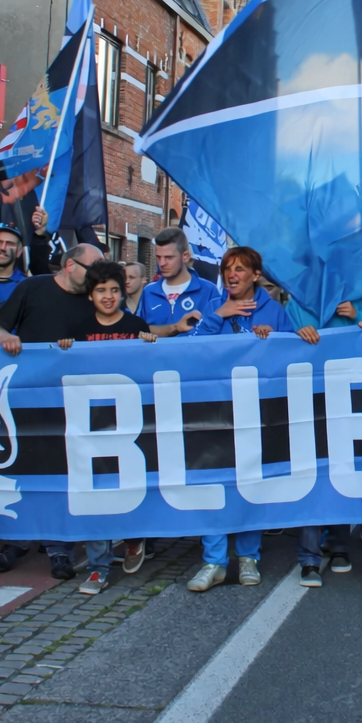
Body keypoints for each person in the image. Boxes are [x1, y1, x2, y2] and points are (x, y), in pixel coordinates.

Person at [0, 242, 102, 578]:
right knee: (24, 469)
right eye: (92, 269)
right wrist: (5, 336)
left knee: (62, 474)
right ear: (69, 265)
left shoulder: (92, 301)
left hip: (71, 403)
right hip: (27, 399)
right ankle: (17, 540)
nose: (96, 277)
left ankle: (59, 547)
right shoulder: (31, 287)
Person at [186, 246, 297, 593]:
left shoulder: (275, 311)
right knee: (215, 484)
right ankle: (214, 561)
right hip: (217, 412)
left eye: (239, 269)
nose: (231, 275)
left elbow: (292, 357)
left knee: (251, 483)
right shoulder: (214, 306)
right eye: (226, 269)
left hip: (258, 414)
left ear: (255, 276)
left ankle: (249, 557)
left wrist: (274, 340)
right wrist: (219, 315)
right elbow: (189, 350)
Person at [47, 259, 156, 594]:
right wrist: (65, 351)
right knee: (95, 494)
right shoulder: (78, 330)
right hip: (91, 425)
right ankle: (98, 567)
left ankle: (136, 538)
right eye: (100, 291)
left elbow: (154, 370)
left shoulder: (137, 325)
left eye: (114, 290)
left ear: (123, 292)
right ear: (90, 295)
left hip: (131, 427)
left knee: (131, 489)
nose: (108, 296)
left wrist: (152, 346)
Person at [137, 228, 223, 338]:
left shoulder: (209, 290)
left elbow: (216, 335)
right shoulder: (148, 292)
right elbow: (138, 333)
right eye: (158, 257)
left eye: (169, 257)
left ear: (185, 256)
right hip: (156, 355)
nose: (161, 263)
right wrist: (175, 328)